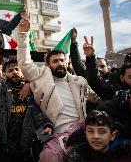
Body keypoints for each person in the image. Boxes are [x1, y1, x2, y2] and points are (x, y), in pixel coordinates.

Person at [17, 15, 92, 162]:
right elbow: (24, 63)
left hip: (81, 133)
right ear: (48, 64)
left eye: (62, 60)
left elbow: (96, 94)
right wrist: (24, 35)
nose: (59, 63)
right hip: (53, 134)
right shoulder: (40, 77)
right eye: (55, 61)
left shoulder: (79, 82)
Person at [0, 59, 53, 162]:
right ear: (4, 74)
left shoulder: (32, 91)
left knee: (46, 140)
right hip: (3, 147)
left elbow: (37, 113)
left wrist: (46, 126)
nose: (14, 72)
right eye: (10, 70)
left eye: (17, 69)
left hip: (26, 148)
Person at [65, 110, 131, 162]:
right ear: (85, 134)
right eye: (90, 131)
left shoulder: (126, 156)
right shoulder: (76, 158)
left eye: (102, 131)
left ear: (112, 135)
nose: (95, 136)